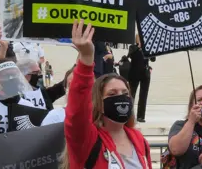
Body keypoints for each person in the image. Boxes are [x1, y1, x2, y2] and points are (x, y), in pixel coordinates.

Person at [61, 20, 151, 169]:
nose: (121, 97)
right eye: (112, 93)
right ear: (99, 103)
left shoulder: (139, 139)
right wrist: (86, 57)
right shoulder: (87, 139)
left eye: (125, 93)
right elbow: (77, 112)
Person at [127, 34, 155, 122]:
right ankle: (129, 115)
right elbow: (130, 56)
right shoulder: (133, 47)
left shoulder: (147, 48)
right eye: (140, 38)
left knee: (143, 95)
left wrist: (149, 49)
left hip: (145, 75)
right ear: (136, 39)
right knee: (131, 95)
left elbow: (153, 59)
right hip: (134, 74)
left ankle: (141, 116)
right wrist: (139, 46)